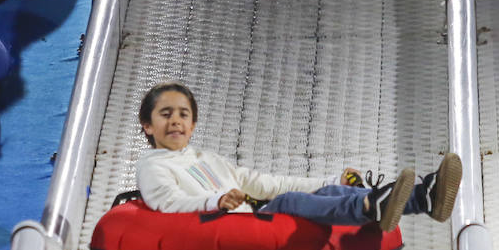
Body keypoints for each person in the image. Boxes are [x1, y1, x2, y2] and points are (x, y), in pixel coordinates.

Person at [136, 82, 462, 232]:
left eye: (183, 114)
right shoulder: (152, 167)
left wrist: (330, 180)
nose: (175, 121)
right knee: (291, 201)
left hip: (249, 212)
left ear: (193, 125)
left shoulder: (205, 158)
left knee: (329, 193)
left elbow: (263, 182)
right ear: (148, 126)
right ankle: (369, 205)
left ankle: (423, 198)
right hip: (231, 222)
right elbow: (168, 202)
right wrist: (215, 201)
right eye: (165, 114)